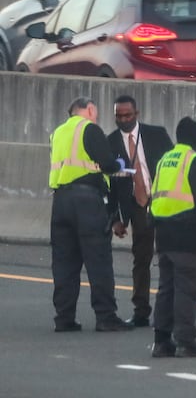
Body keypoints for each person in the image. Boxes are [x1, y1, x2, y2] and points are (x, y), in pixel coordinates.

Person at [49, 96, 133, 332]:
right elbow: (106, 163)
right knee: (98, 259)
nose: (96, 117)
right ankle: (105, 316)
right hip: (86, 200)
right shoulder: (89, 129)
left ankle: (64, 318)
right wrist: (117, 165)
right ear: (89, 109)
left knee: (64, 262)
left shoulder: (58, 133)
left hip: (60, 200)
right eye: (95, 112)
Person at [150, 117, 196, 358]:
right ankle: (185, 341)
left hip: (164, 235)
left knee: (166, 289)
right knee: (187, 290)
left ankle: (161, 341)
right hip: (190, 237)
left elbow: (154, 197)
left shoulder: (164, 160)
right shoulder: (194, 162)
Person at [107, 95, 173, 327]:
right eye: (118, 116)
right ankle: (141, 310)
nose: (123, 120)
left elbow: (174, 167)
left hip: (162, 200)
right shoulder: (110, 142)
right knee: (141, 258)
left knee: (169, 256)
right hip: (137, 205)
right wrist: (115, 219)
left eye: (128, 115)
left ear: (137, 114)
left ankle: (171, 308)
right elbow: (109, 185)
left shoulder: (157, 134)